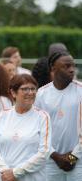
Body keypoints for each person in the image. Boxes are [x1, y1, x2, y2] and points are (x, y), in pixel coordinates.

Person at [0, 74, 51, 181]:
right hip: (5, 178)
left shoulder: (43, 117)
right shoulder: (1, 115)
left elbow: (44, 152)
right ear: (13, 92)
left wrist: (15, 173)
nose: (30, 93)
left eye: (33, 89)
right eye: (25, 89)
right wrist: (5, 171)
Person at [35, 50, 82, 181]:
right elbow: (37, 129)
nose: (72, 69)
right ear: (53, 68)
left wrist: (73, 157)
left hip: (78, 161)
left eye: (73, 65)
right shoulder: (41, 94)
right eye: (66, 66)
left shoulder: (80, 90)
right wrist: (55, 156)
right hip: (51, 161)